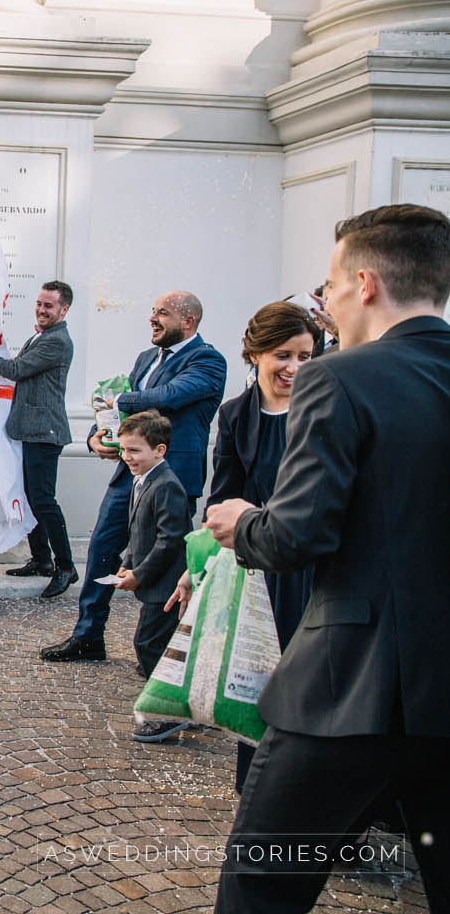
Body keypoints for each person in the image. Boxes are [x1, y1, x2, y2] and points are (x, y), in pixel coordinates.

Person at [205, 204, 450, 913]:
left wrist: (243, 521)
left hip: (350, 689)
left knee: (261, 891)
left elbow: (297, 537)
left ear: (366, 284)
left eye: (332, 285)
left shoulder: (338, 378)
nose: (329, 300)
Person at [174, 301, 317, 788]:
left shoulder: (325, 410)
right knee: (258, 677)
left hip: (314, 569)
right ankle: (260, 783)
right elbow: (221, 499)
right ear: (254, 354)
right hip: (260, 570)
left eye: (306, 355)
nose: (295, 368)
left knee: (314, 683)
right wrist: (197, 568)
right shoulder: (236, 415)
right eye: (283, 355)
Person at [39, 291, 225, 663]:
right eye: (152, 312)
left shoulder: (208, 360)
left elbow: (170, 396)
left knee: (164, 557)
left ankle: (158, 651)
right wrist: (98, 435)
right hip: (130, 474)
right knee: (102, 549)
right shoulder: (145, 359)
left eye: (163, 314)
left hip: (172, 477)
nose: (153, 320)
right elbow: (122, 413)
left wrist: (122, 400)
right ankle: (88, 635)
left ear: (188, 322)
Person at [0, 279, 77, 592]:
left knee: (43, 500)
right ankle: (41, 559)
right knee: (28, 497)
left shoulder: (57, 341)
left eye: (49, 306)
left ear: (64, 310)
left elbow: (17, 370)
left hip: (44, 433)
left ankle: (65, 566)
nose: (41, 310)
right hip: (28, 430)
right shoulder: (42, 337)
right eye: (39, 303)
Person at [108, 412, 189, 742]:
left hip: (166, 586)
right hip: (152, 582)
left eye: (135, 451)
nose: (127, 457)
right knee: (158, 644)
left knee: (149, 643)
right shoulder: (143, 480)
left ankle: (170, 712)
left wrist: (140, 574)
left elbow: (170, 539)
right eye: (124, 450)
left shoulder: (167, 485)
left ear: (160, 450)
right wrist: (129, 563)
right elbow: (139, 531)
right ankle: (182, 706)